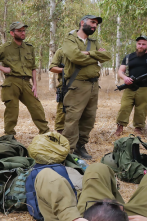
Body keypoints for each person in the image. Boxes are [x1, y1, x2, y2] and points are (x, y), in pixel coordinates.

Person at [0, 22, 50, 136]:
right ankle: (9, 137)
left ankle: (46, 134)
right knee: (12, 112)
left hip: (26, 83)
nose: (23, 33)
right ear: (12, 33)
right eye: (20, 31)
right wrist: (2, 68)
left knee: (37, 108)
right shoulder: (5, 48)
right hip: (11, 83)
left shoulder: (29, 48)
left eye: (24, 31)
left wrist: (35, 85)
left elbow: (33, 67)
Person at [61, 15, 111, 160]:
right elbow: (76, 57)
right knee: (73, 118)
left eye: (96, 24)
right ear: (82, 23)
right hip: (77, 84)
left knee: (89, 118)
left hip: (94, 85)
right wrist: (97, 55)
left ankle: (80, 146)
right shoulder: (70, 40)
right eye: (92, 22)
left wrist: (89, 52)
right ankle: (68, 150)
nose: (94, 26)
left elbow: (107, 55)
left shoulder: (93, 41)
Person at [115, 36, 147, 136]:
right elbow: (121, 71)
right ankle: (120, 127)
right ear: (136, 44)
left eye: (144, 44)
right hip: (130, 86)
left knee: (142, 108)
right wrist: (125, 78)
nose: (141, 46)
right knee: (125, 106)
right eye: (139, 44)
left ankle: (138, 128)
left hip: (146, 87)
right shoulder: (129, 57)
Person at [49, 48, 66, 134]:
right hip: (65, 85)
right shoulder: (61, 51)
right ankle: (60, 134)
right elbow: (52, 68)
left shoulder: (86, 50)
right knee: (62, 110)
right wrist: (65, 70)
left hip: (82, 86)